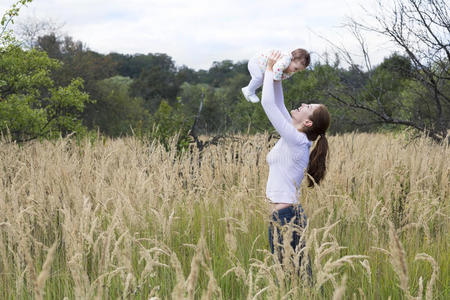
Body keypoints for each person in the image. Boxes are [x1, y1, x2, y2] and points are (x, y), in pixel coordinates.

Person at [261, 51, 330, 270]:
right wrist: (277, 77)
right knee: (295, 274)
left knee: (293, 275)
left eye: (308, 107)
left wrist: (269, 70)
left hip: (286, 217)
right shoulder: (295, 136)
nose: (302, 104)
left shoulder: (297, 140)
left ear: (308, 123)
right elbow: (279, 103)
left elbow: (268, 105)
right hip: (284, 216)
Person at [242, 48, 310, 103]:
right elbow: (277, 68)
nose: (295, 71)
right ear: (292, 59)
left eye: (298, 70)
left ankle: (248, 89)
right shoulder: (286, 60)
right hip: (256, 62)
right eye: (296, 68)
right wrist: (276, 79)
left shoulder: (290, 70)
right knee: (258, 78)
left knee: (262, 80)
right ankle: (250, 92)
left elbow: (281, 76)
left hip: (262, 67)